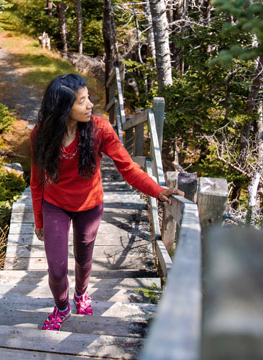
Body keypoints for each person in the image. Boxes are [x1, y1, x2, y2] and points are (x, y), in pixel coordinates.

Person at [30, 74, 183, 331]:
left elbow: (128, 168)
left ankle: (81, 294)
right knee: (56, 269)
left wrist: (157, 191)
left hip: (89, 205)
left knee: (84, 258)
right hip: (54, 204)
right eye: (82, 101)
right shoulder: (41, 134)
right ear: (64, 108)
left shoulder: (100, 128)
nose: (90, 105)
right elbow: (36, 181)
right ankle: (62, 307)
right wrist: (39, 219)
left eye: (88, 98)